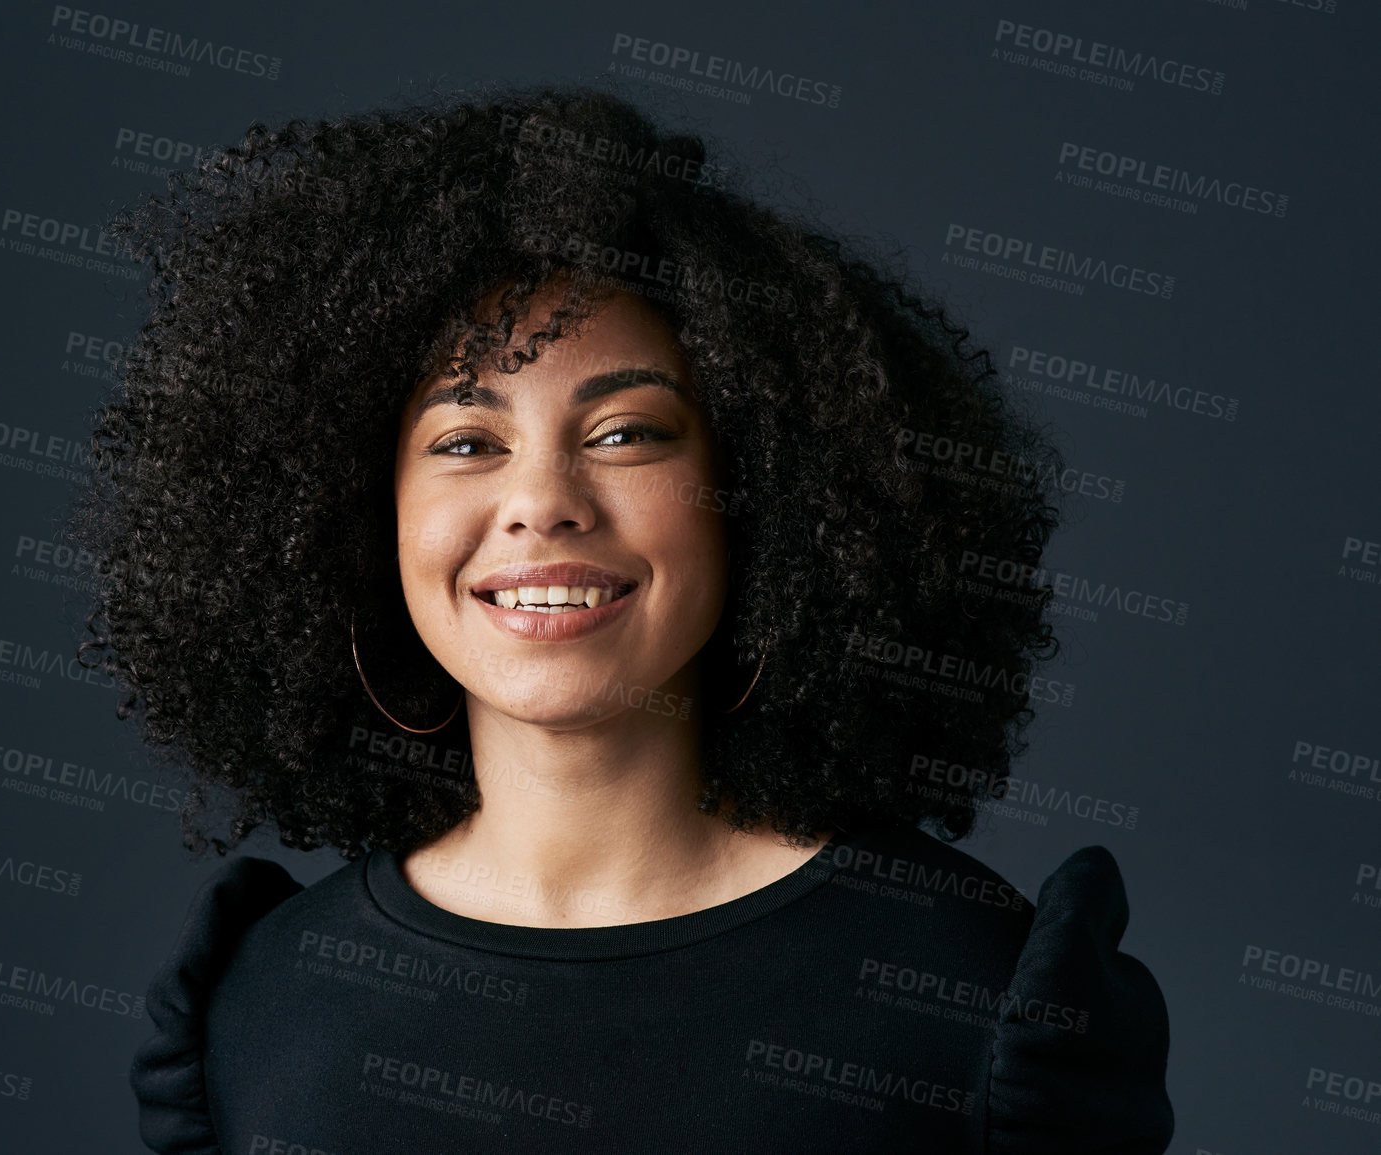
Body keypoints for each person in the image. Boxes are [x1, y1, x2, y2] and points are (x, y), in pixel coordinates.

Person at [68, 83, 1173, 1153]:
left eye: (627, 434)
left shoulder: (969, 1000)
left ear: (768, 499)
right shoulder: (263, 1011)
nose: (543, 500)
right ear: (358, 520)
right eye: (466, 442)